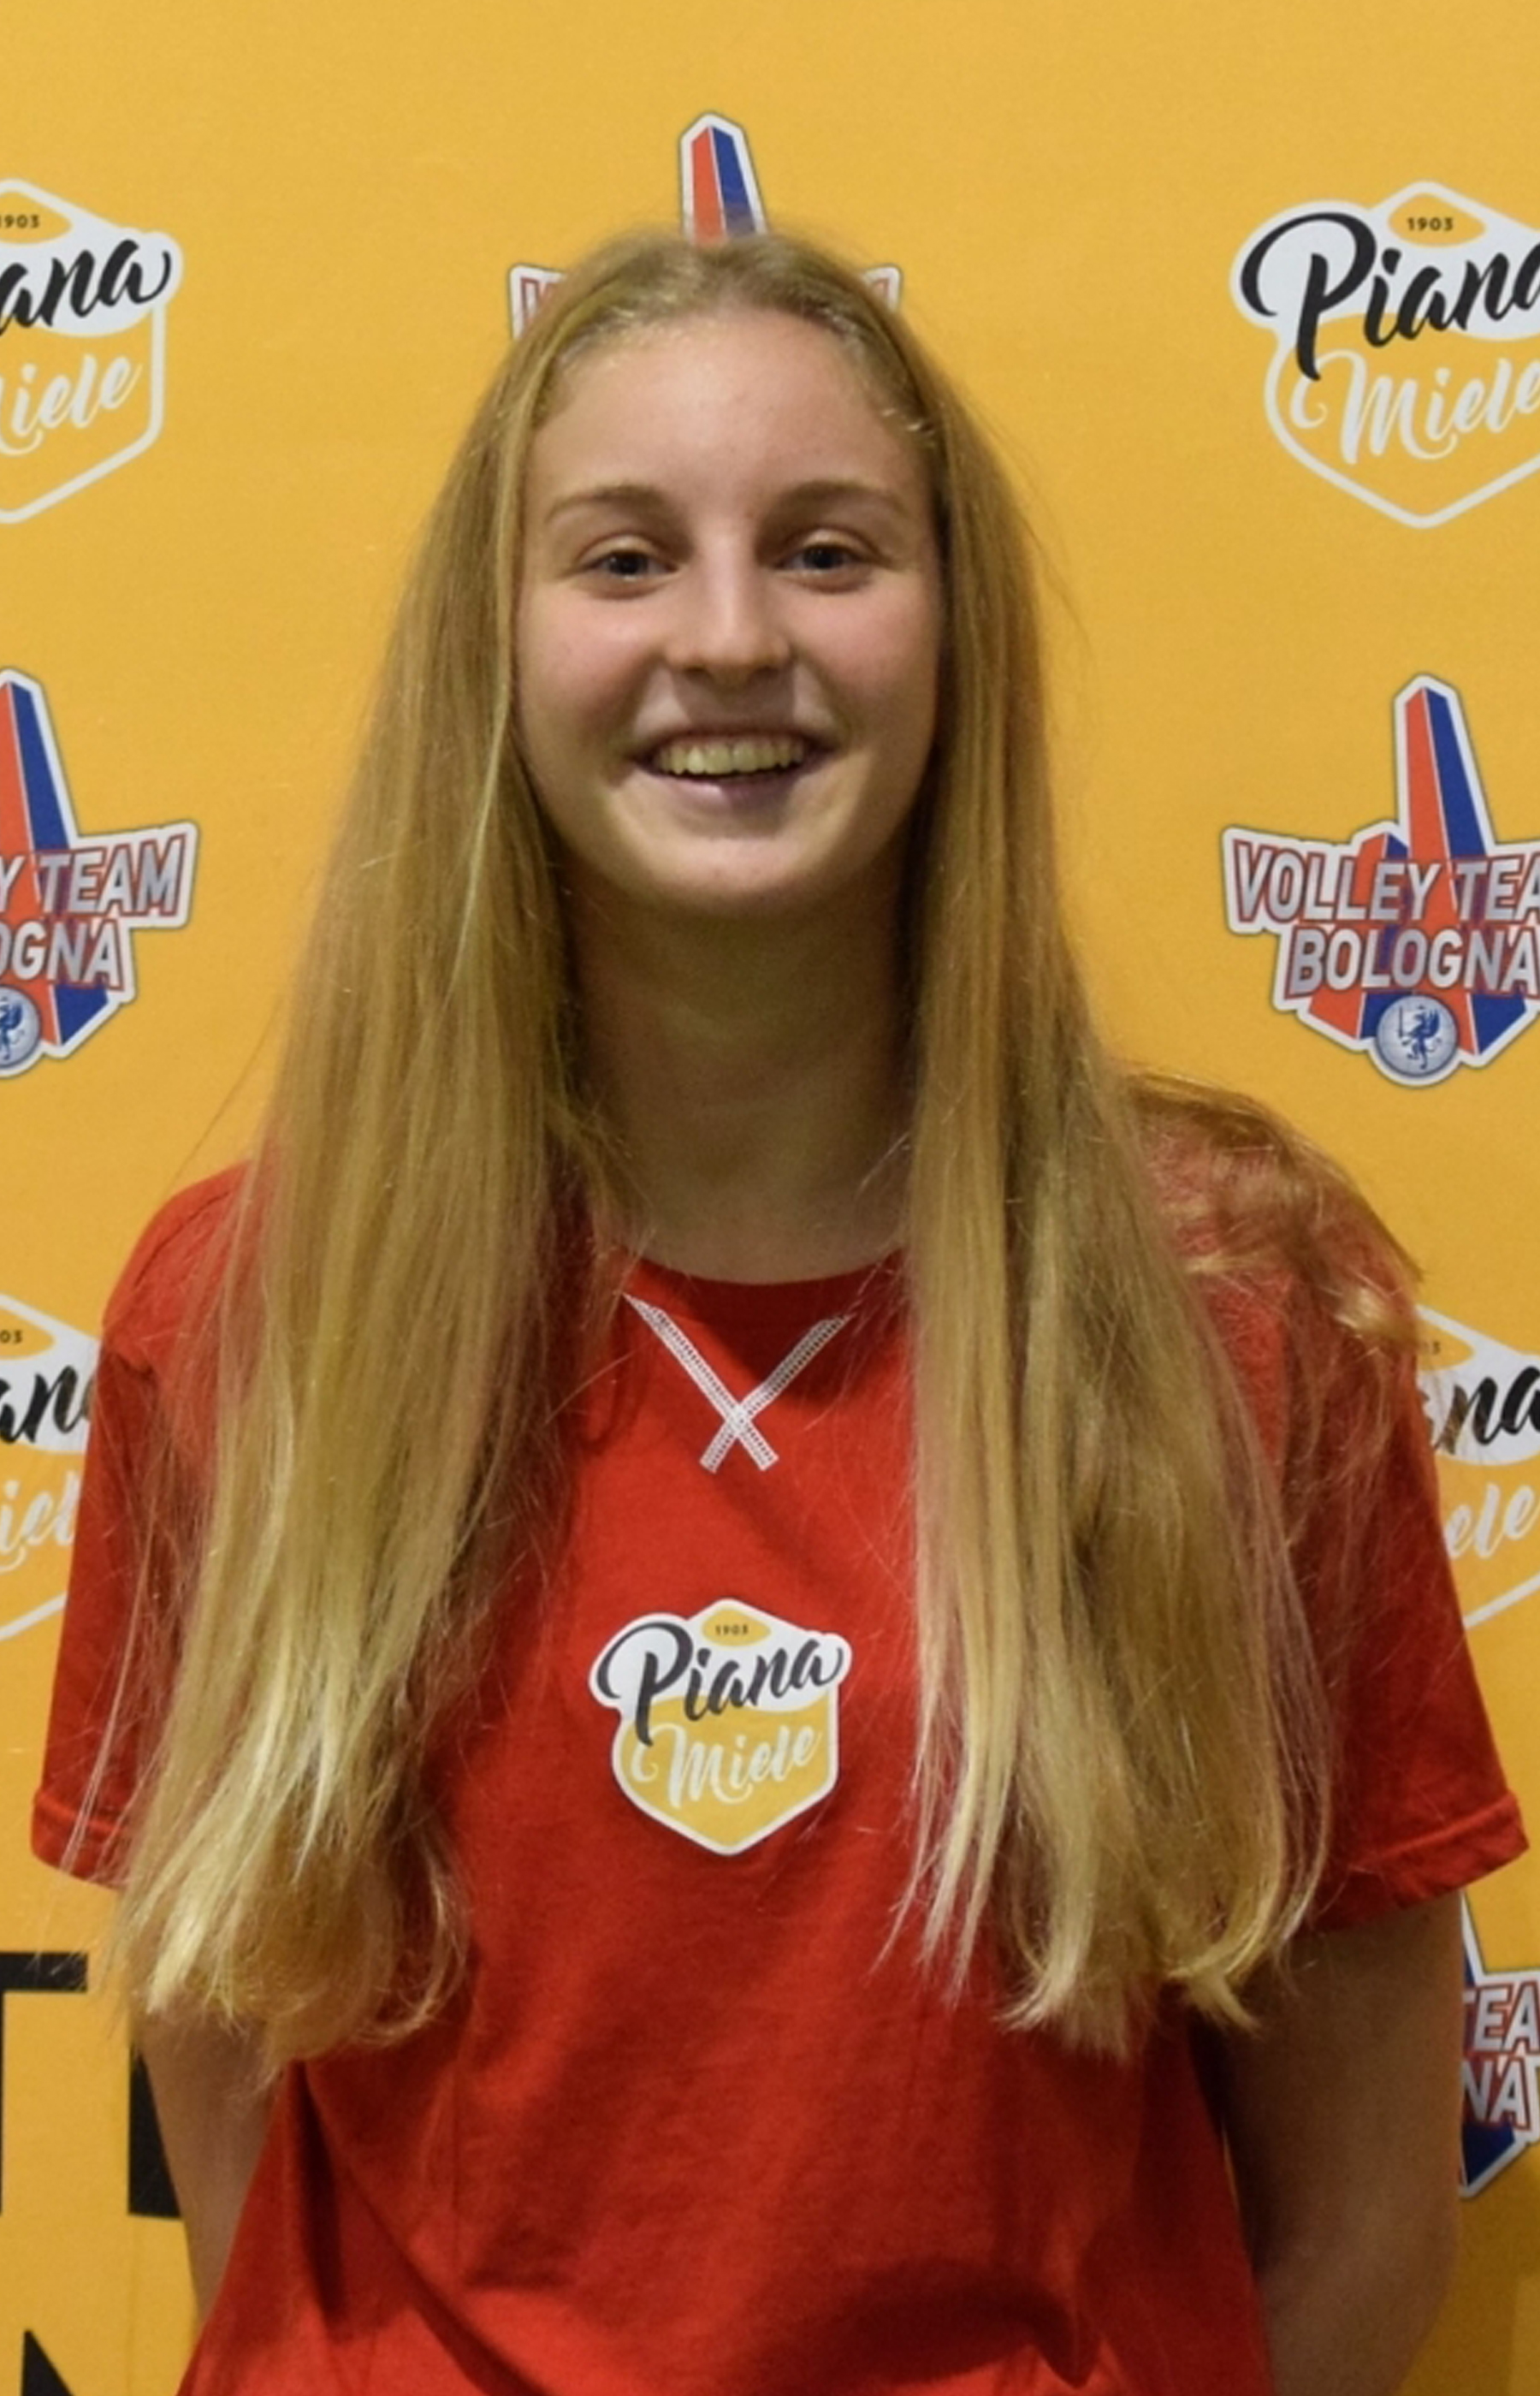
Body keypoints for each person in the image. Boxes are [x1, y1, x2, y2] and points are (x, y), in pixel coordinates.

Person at [33, 228, 1524, 2396]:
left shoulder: (1235, 1310)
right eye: (624, 557)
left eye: (827, 550)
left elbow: (1366, 2215)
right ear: (495, 645)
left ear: (954, 629)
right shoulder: (259, 1317)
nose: (730, 636)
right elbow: (230, 2092)